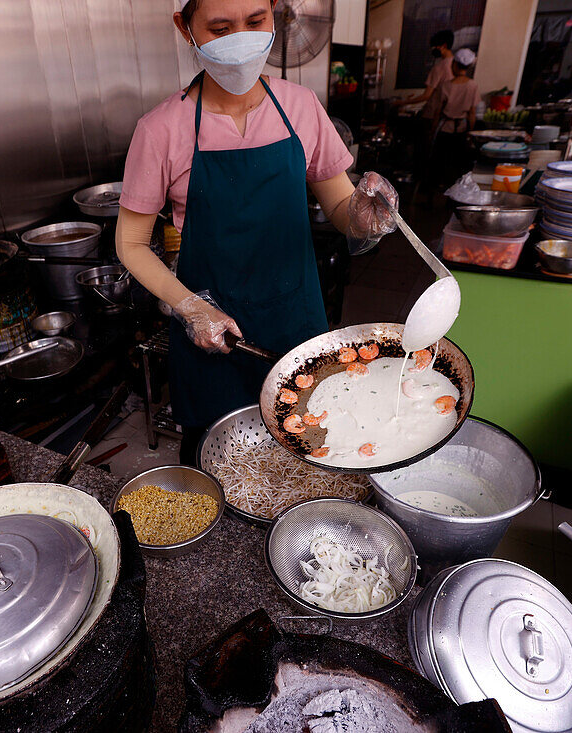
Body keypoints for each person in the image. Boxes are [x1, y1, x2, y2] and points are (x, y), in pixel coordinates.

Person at [117, 0, 400, 465]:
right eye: (221, 27)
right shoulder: (161, 129)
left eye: (255, 22)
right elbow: (129, 243)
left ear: (275, 15)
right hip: (214, 334)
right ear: (184, 28)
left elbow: (340, 205)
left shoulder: (301, 106)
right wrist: (190, 307)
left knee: (306, 447)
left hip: (295, 317)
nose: (241, 40)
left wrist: (366, 218)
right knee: (217, 461)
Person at [429, 49, 479, 187]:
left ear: (454, 65)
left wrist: (432, 131)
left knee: (440, 164)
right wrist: (470, 133)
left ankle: (433, 195)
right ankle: (452, 196)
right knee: (457, 166)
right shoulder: (473, 86)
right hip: (461, 131)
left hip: (445, 129)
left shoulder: (446, 86)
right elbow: (472, 113)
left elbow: (437, 113)